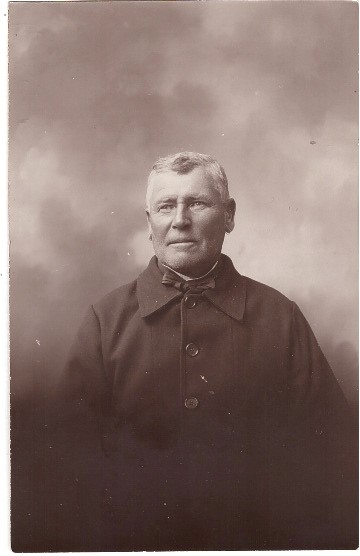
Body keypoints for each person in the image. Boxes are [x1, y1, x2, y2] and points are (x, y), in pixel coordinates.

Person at [56, 152, 357, 551]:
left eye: (196, 203)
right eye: (166, 206)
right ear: (150, 223)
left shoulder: (280, 317)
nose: (180, 219)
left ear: (229, 216)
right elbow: (66, 464)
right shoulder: (105, 321)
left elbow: (330, 454)